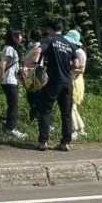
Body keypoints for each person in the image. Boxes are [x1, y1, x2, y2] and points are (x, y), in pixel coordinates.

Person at [23, 19, 80, 151]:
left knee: (44, 110)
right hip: (67, 83)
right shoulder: (70, 44)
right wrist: (65, 68)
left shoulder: (49, 40)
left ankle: (43, 142)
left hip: (52, 82)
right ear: (61, 28)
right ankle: (65, 143)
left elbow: (37, 51)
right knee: (66, 113)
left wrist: (25, 65)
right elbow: (76, 64)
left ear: (49, 28)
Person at [0, 29, 26, 138]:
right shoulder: (9, 49)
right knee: (13, 106)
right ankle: (11, 129)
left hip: (11, 80)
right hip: (9, 81)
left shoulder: (11, 49)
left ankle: (8, 127)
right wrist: (1, 78)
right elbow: (2, 64)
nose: (21, 38)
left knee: (12, 105)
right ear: (13, 37)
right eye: (19, 36)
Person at [65, 29, 88, 140]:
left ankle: (74, 130)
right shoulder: (79, 51)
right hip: (76, 80)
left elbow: (81, 69)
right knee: (73, 107)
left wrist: (68, 69)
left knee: (71, 107)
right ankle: (81, 129)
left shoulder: (78, 52)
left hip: (76, 80)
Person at [21, 29, 45, 127]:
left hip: (34, 74)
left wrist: (25, 66)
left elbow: (34, 60)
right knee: (33, 97)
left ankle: (37, 120)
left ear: (32, 36)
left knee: (34, 97)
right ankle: (36, 119)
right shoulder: (33, 46)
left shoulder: (37, 47)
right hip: (32, 74)